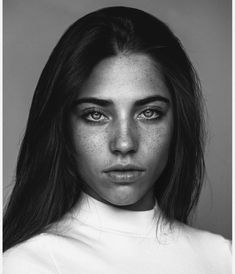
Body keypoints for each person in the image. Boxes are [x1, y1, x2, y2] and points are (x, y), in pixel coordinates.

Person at [3, 6, 231, 274]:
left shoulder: (223, 258)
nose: (124, 144)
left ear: (178, 122)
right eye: (96, 115)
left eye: (149, 113)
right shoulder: (24, 265)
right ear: (63, 128)